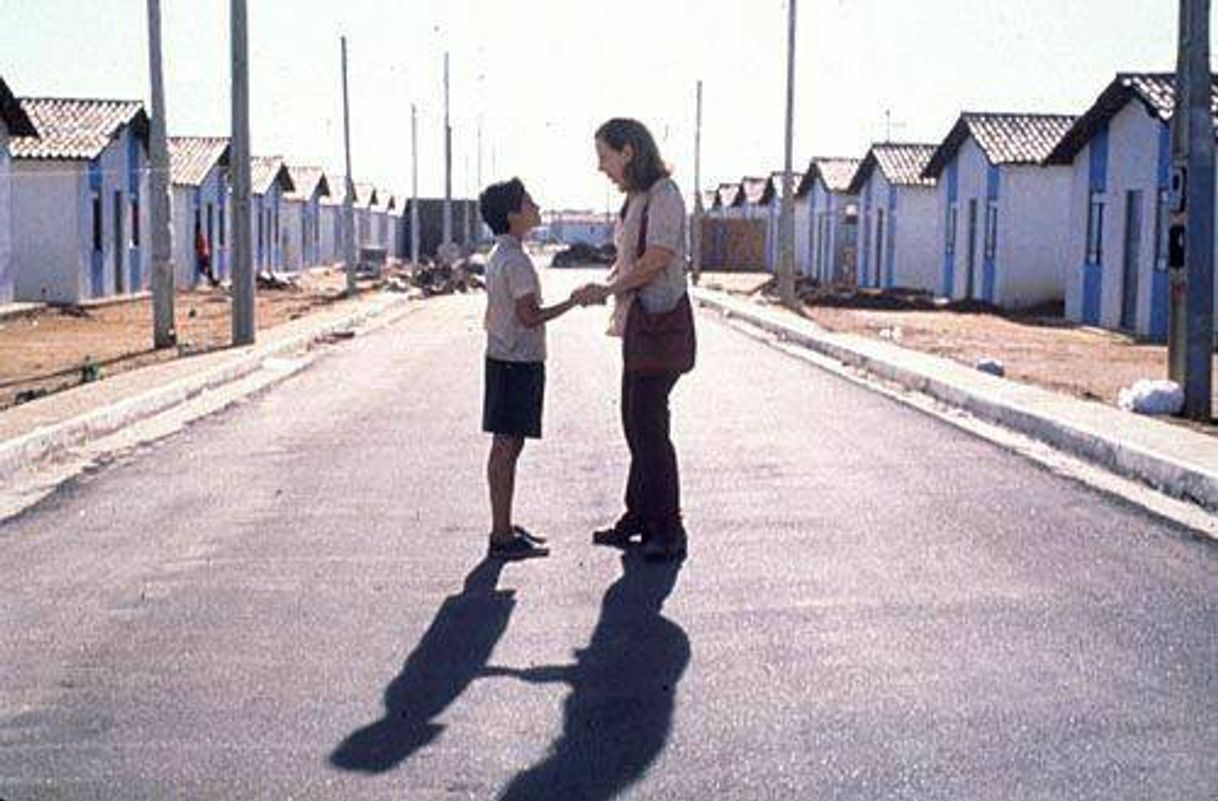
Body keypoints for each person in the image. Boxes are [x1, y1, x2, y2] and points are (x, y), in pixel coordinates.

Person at [575, 118, 693, 562]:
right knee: (636, 422)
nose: (601, 167)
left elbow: (657, 259)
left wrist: (608, 290)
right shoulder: (636, 199)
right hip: (639, 326)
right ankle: (640, 517)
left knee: (649, 427)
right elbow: (629, 261)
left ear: (628, 152)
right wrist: (601, 288)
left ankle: (669, 527)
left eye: (605, 155)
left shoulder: (664, 194)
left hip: (660, 325)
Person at [480, 178, 580, 560]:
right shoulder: (516, 260)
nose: (536, 206)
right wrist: (573, 303)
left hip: (505, 358)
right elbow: (529, 316)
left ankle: (503, 524)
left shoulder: (502, 254)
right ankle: (501, 534)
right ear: (513, 214)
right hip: (516, 361)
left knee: (508, 443)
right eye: (529, 202)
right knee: (507, 446)